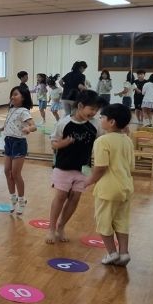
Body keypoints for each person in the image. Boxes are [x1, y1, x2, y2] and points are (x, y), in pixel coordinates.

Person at [45, 90, 104, 244]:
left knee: (75, 198)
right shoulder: (64, 123)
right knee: (60, 196)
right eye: (91, 109)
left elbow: (102, 141)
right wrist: (63, 143)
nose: (94, 113)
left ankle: (61, 227)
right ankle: (51, 229)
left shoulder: (95, 124)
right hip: (63, 167)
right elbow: (53, 143)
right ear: (80, 106)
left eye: (96, 110)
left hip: (83, 168)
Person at [85, 104, 134, 266]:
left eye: (102, 117)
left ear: (111, 122)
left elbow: (100, 167)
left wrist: (89, 180)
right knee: (121, 220)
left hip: (108, 189)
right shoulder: (127, 140)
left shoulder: (102, 141)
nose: (100, 120)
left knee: (103, 221)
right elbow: (131, 166)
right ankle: (124, 253)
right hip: (125, 187)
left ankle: (112, 253)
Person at [0, 86, 36, 215]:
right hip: (8, 142)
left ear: (23, 97)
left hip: (18, 143)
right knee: (7, 171)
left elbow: (33, 126)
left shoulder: (24, 111)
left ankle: (22, 200)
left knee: (16, 173)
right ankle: (13, 199)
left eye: (16, 94)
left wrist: (28, 129)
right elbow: (9, 123)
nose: (12, 97)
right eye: (12, 94)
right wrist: (1, 129)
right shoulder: (11, 109)